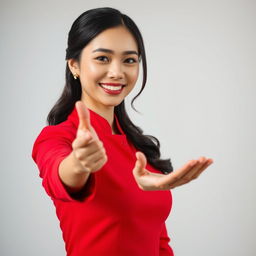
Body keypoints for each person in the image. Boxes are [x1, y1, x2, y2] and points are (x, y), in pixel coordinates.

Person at [32, 7, 213, 256]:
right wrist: (79, 163)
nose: (117, 72)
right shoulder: (59, 137)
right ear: (74, 65)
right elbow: (59, 175)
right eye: (102, 58)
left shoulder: (140, 148)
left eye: (129, 60)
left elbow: (159, 242)